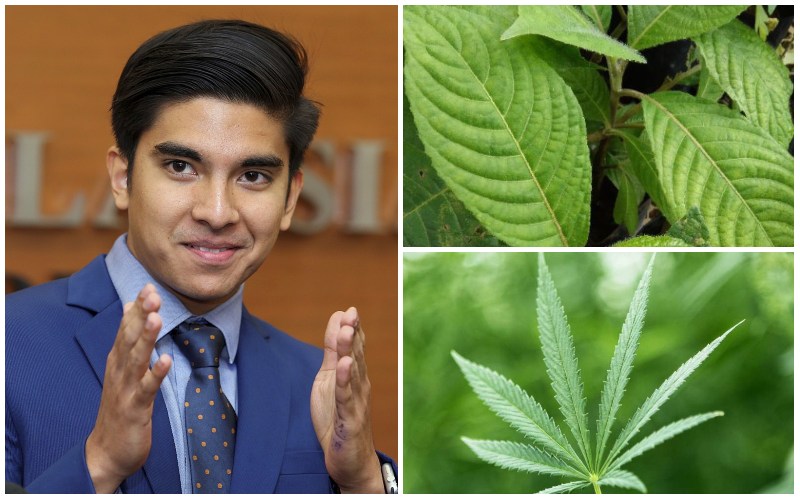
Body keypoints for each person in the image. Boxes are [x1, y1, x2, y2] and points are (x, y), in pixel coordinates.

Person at [5, 19, 396, 494]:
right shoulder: (13, 343)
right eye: (181, 167)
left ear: (292, 197)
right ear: (123, 177)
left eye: (253, 176)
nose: (217, 212)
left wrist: (362, 482)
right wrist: (101, 462)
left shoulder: (315, 381)